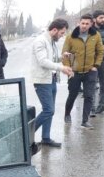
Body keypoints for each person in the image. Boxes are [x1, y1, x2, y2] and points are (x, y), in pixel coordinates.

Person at [30, 18, 75, 147]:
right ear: (54, 30)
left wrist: (62, 57)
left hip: (51, 79)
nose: (62, 36)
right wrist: (62, 68)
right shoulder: (40, 41)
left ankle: (46, 138)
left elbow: (51, 59)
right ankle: (26, 135)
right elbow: (43, 61)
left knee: (49, 110)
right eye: (61, 33)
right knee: (49, 110)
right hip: (42, 81)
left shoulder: (51, 41)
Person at [62, 14, 104, 130]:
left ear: (91, 24)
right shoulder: (71, 37)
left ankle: (85, 121)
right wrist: (68, 68)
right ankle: (67, 114)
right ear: (79, 23)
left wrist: (96, 65)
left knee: (89, 96)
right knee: (73, 94)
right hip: (74, 72)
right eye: (82, 23)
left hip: (90, 71)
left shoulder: (96, 36)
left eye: (87, 23)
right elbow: (65, 54)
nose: (84, 26)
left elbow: (100, 51)